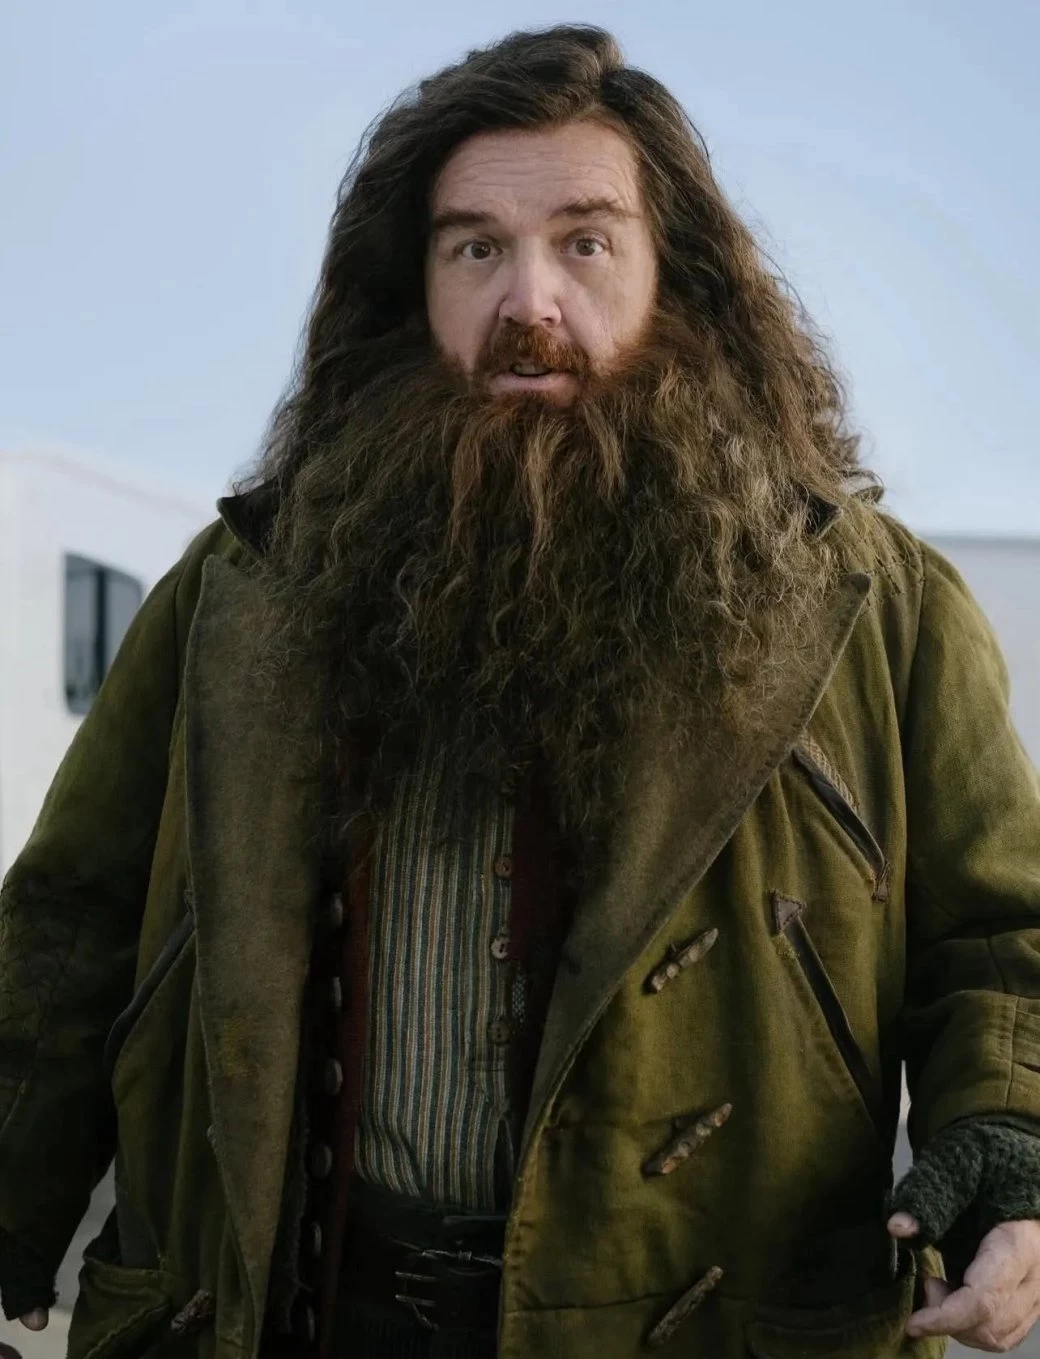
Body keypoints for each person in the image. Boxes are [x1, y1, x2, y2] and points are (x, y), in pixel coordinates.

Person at [2, 23, 1040, 1359]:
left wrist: (1011, 1149)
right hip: (301, 1318)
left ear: (678, 281)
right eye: (476, 249)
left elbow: (1000, 940)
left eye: (585, 242)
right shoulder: (242, 590)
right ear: (412, 288)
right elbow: (69, 928)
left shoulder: (881, 609)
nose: (530, 302)